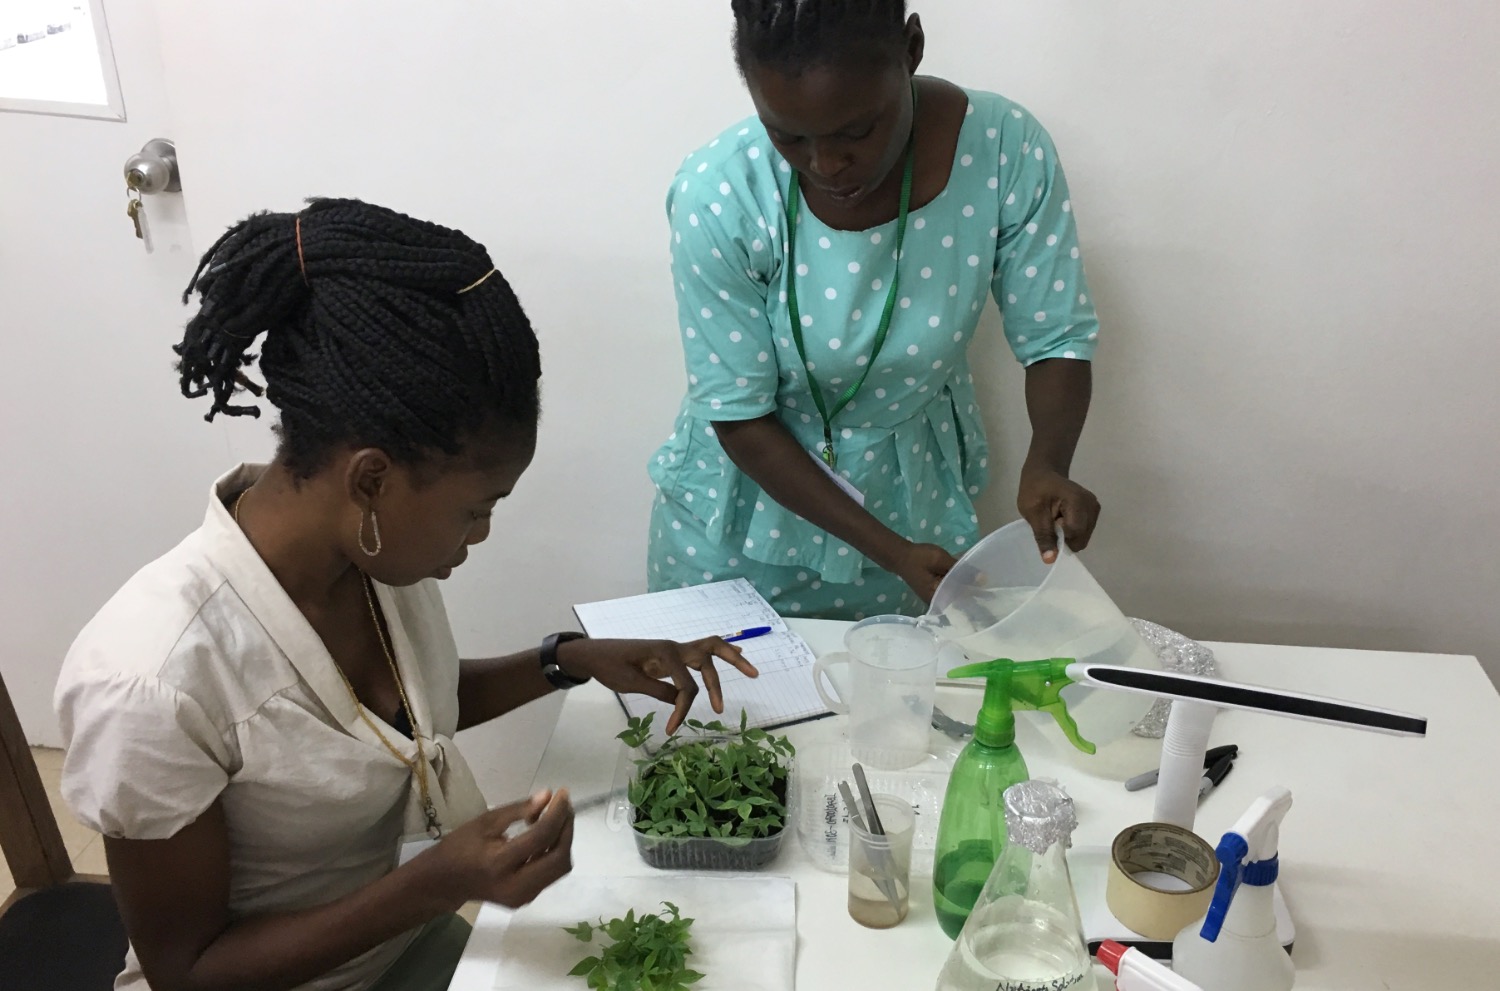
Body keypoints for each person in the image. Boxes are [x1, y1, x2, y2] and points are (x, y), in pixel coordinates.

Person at [54, 199, 754, 991]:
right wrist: (438, 881)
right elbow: (189, 970)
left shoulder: (369, 555)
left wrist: (570, 660)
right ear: (372, 479)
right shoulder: (152, 681)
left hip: (399, 948)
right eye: (477, 507)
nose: (481, 535)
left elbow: (411, 705)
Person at [647, 0, 1103, 619]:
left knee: (907, 700)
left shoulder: (1003, 147)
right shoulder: (719, 194)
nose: (825, 164)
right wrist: (892, 553)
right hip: (743, 524)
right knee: (728, 712)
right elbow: (738, 415)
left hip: (911, 507)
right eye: (788, 136)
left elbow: (1055, 336)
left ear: (912, 49)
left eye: (856, 131)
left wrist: (1048, 462)